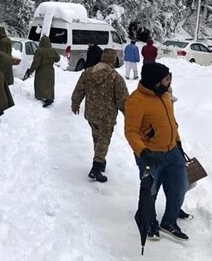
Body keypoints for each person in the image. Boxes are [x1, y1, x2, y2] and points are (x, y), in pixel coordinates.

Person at [124, 63, 189, 241]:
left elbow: (171, 122)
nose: (169, 81)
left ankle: (168, 222)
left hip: (173, 152)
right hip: (150, 154)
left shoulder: (165, 95)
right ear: (155, 81)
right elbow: (131, 131)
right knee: (150, 192)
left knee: (179, 189)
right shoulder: (136, 100)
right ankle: (149, 221)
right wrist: (143, 152)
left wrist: (178, 142)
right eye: (166, 78)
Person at [71, 49, 129, 182]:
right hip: (107, 116)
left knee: (97, 137)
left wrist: (75, 103)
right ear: (113, 60)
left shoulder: (87, 72)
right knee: (104, 140)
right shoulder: (115, 77)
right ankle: (96, 168)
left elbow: (79, 89)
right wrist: (129, 115)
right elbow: (123, 99)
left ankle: (100, 160)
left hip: (91, 113)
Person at [28, 35, 61, 107]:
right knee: (49, 84)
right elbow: (58, 59)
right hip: (50, 70)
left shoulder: (39, 51)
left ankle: (42, 97)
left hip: (42, 70)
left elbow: (36, 62)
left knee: (40, 83)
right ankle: (49, 97)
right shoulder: (53, 50)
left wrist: (31, 70)